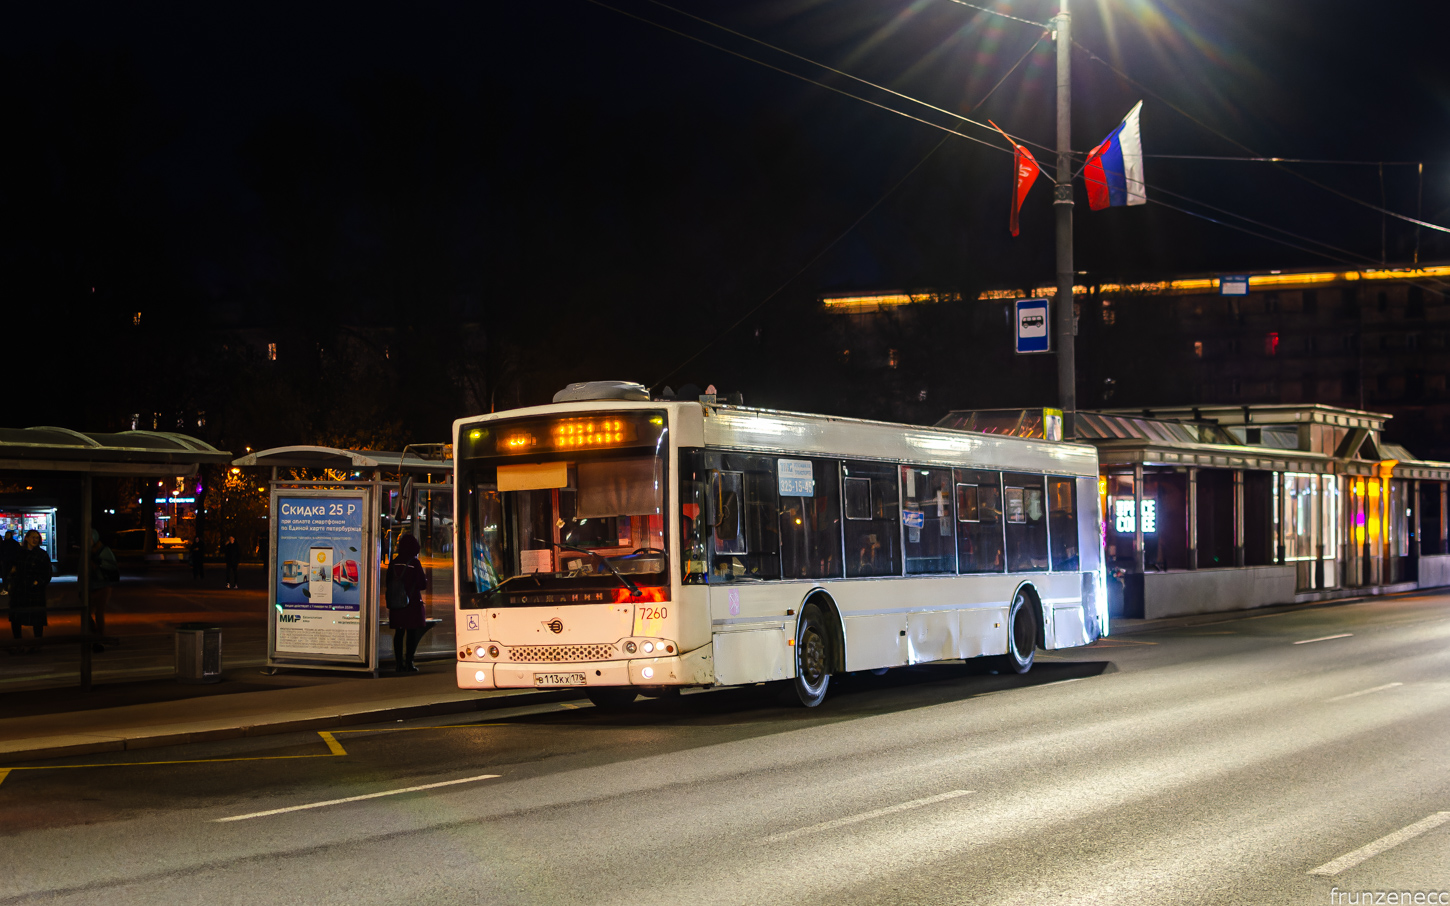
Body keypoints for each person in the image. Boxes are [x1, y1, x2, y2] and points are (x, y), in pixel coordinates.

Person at [387, 534, 428, 674]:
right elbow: (422, 584)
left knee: (399, 632)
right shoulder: (414, 563)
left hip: (396, 603)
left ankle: (399, 664)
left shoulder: (394, 562)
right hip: (412, 603)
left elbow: (388, 582)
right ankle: (409, 662)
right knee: (411, 632)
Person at [8, 530, 52, 653]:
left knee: (37, 616)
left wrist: (38, 582)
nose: (35, 540)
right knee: (16, 616)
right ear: (26, 538)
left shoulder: (42, 554)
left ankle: (37, 643)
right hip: (19, 589)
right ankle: (18, 643)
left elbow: (47, 573)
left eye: (37, 538)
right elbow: (12, 568)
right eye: (32, 537)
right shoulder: (19, 553)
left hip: (34, 590)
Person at [88, 529, 120, 653]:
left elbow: (112, 566)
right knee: (87, 612)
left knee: (99, 612)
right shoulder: (88, 551)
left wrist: (99, 565)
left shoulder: (104, 550)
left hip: (102, 585)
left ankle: (99, 635)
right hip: (91, 585)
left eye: (89, 538)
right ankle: (94, 632)